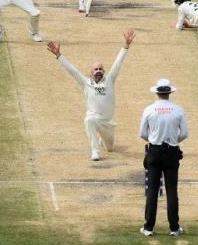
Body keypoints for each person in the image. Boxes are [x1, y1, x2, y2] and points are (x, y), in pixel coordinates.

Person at [46, 29, 135, 161]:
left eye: (100, 69)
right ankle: (95, 151)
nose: (98, 71)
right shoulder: (86, 83)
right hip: (94, 118)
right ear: (91, 72)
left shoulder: (110, 80)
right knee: (88, 120)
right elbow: (72, 70)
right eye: (95, 69)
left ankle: (102, 140)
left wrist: (126, 46)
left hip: (108, 123)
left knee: (110, 148)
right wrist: (59, 55)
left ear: (104, 71)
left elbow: (118, 64)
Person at [139, 78, 188, 237]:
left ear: (157, 92)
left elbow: (142, 134)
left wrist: (154, 141)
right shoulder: (178, 110)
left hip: (154, 151)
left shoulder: (149, 109)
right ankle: (174, 228)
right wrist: (173, 141)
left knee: (152, 190)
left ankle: (148, 227)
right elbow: (185, 133)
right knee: (171, 190)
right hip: (171, 152)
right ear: (169, 93)